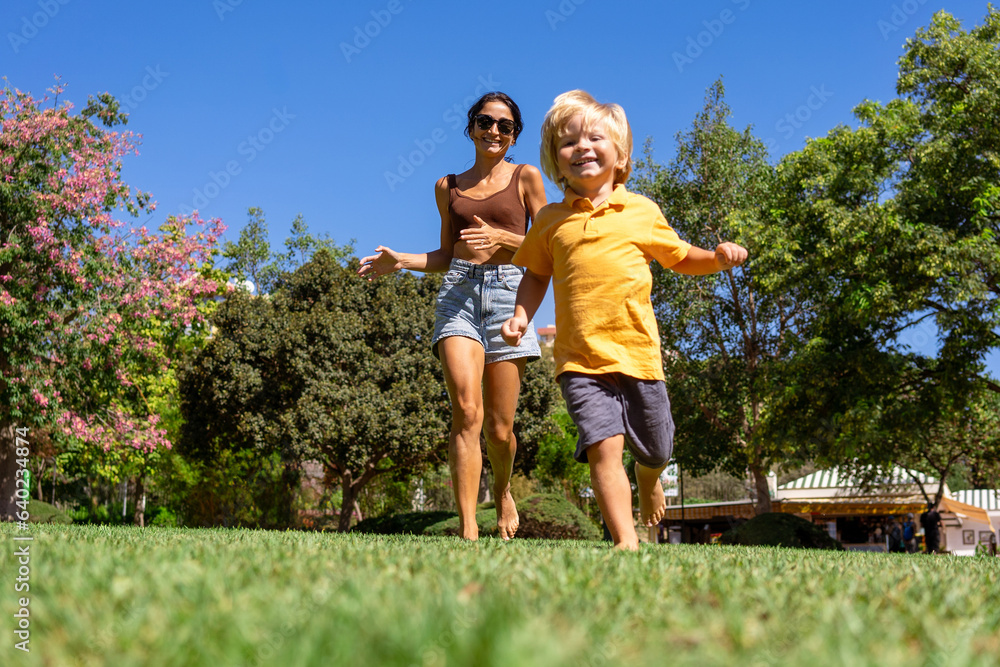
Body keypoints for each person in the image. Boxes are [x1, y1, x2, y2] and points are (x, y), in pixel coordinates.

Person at [501, 90, 747, 550]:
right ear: (556, 159)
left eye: (595, 138)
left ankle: (650, 477)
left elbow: (680, 258)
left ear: (621, 156)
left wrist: (715, 258)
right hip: (580, 361)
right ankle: (626, 540)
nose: (582, 147)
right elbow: (536, 275)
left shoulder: (641, 211)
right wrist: (520, 316)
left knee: (656, 448)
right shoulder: (551, 220)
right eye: (568, 142)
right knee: (603, 445)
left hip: (638, 354)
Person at [358, 92, 547, 541]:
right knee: (466, 411)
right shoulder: (448, 186)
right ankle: (467, 531)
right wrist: (400, 261)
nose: (494, 131)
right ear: (471, 127)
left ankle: (502, 492)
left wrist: (501, 236)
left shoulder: (526, 178)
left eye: (504, 125)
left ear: (514, 133)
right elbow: (446, 254)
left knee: (500, 430)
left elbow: (549, 247)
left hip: (508, 294)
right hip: (458, 293)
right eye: (485, 122)